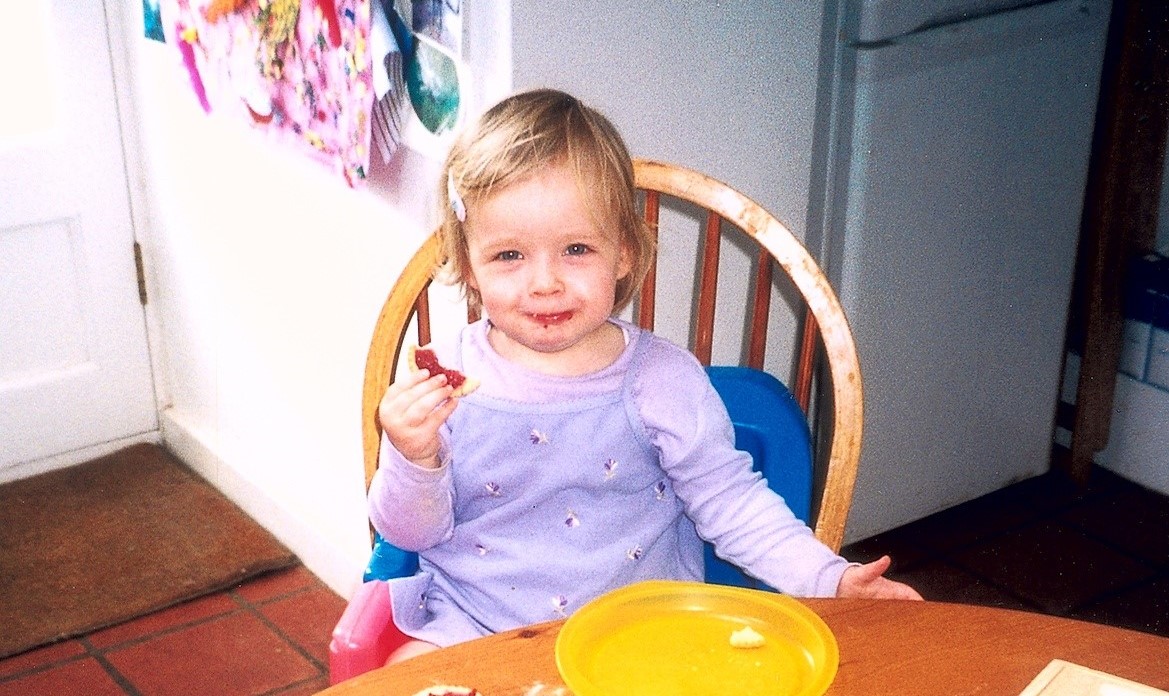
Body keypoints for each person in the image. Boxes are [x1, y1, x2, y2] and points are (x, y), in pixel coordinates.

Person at [369, 88, 921, 662]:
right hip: (477, 625)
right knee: (404, 674)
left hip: (639, 634)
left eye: (576, 248)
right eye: (509, 255)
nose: (544, 282)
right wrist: (414, 457)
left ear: (626, 253)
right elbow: (411, 537)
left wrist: (827, 578)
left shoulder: (662, 380)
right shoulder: (444, 381)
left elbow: (733, 505)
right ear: (468, 262)